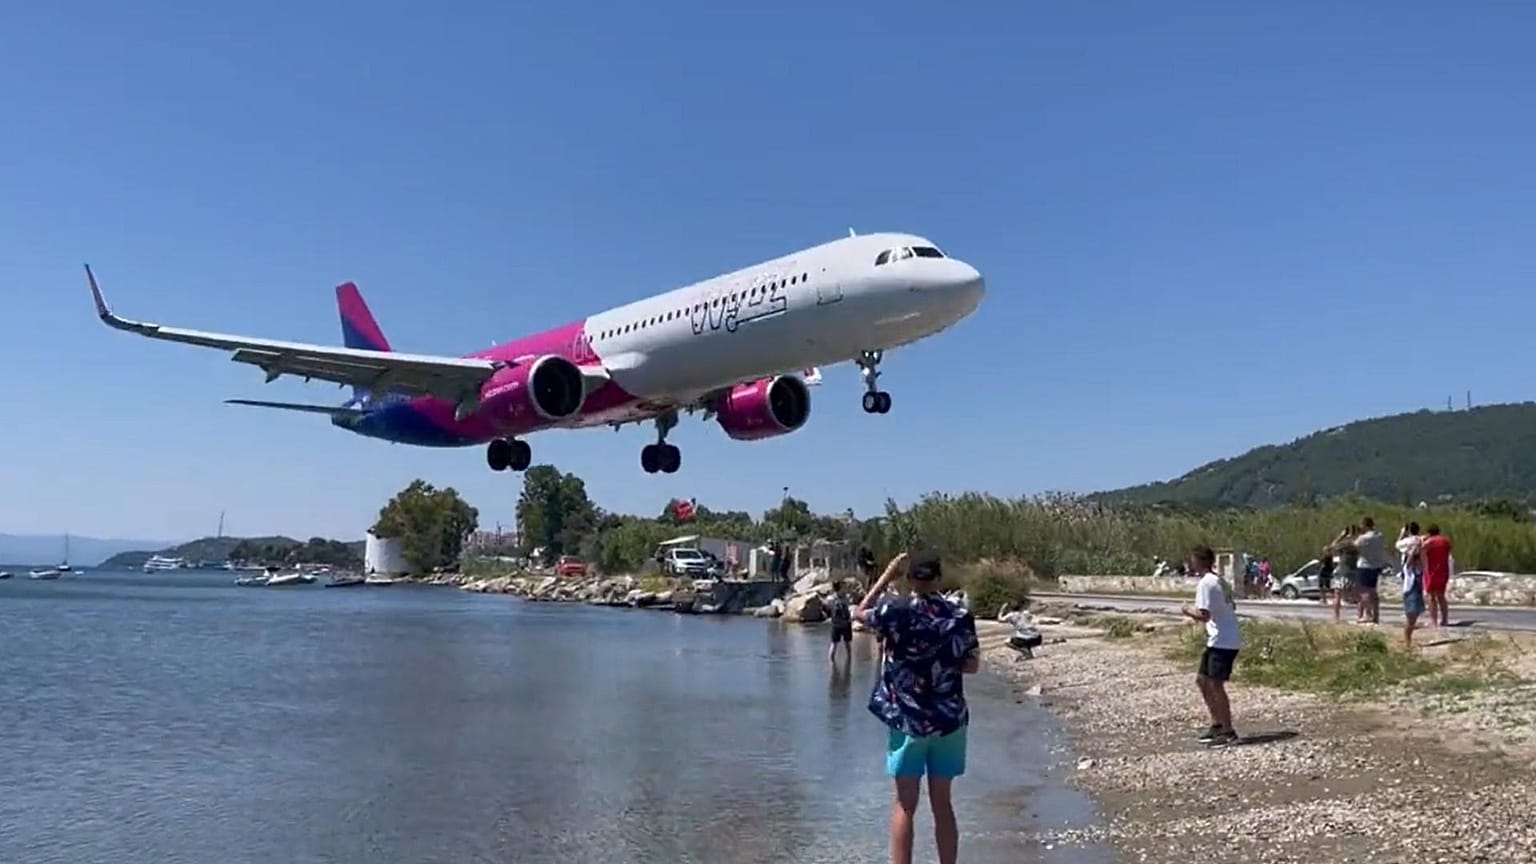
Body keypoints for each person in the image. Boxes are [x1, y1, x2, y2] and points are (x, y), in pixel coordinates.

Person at [855, 550, 979, 864]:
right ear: (938, 578)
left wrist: (886, 574)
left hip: (907, 718)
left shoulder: (894, 610)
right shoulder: (959, 616)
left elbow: (860, 611)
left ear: (909, 579)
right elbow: (972, 665)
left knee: (905, 805)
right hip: (948, 720)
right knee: (943, 804)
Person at [1180, 544, 1241, 746]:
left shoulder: (1206, 583)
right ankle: (1216, 724)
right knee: (1202, 680)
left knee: (1215, 684)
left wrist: (1188, 611)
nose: (1191, 564)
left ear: (1201, 561)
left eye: (1193, 560)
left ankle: (1228, 730)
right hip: (1221, 638)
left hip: (1223, 640)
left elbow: (1204, 615)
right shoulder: (1218, 580)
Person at [1396, 522, 1426, 646]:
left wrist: (1401, 534)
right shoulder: (1420, 541)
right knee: (1414, 611)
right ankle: (1408, 637)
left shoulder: (1407, 542)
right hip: (1415, 580)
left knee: (1413, 611)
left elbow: (1397, 545)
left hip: (1411, 581)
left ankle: (1408, 636)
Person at [1354, 517, 1387, 625]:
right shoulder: (1379, 536)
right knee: (1373, 591)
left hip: (1365, 565)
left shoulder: (1364, 538)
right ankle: (1376, 616)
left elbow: (1354, 546)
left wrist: (1357, 535)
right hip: (1376, 565)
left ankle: (1368, 615)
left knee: (1364, 592)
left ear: (1365, 525)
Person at [1421, 524, 1454, 628]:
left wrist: (1422, 540)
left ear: (1429, 533)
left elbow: (1421, 551)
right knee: (1441, 596)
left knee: (1431, 597)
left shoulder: (1428, 542)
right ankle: (1444, 620)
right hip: (1443, 570)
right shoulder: (1445, 541)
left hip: (1431, 571)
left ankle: (1433, 621)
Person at [828, 591, 854, 664]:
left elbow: (829, 606)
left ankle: (832, 665)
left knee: (834, 644)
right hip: (845, 623)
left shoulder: (831, 599)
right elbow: (849, 602)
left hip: (836, 624)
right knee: (847, 644)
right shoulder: (845, 598)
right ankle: (849, 662)